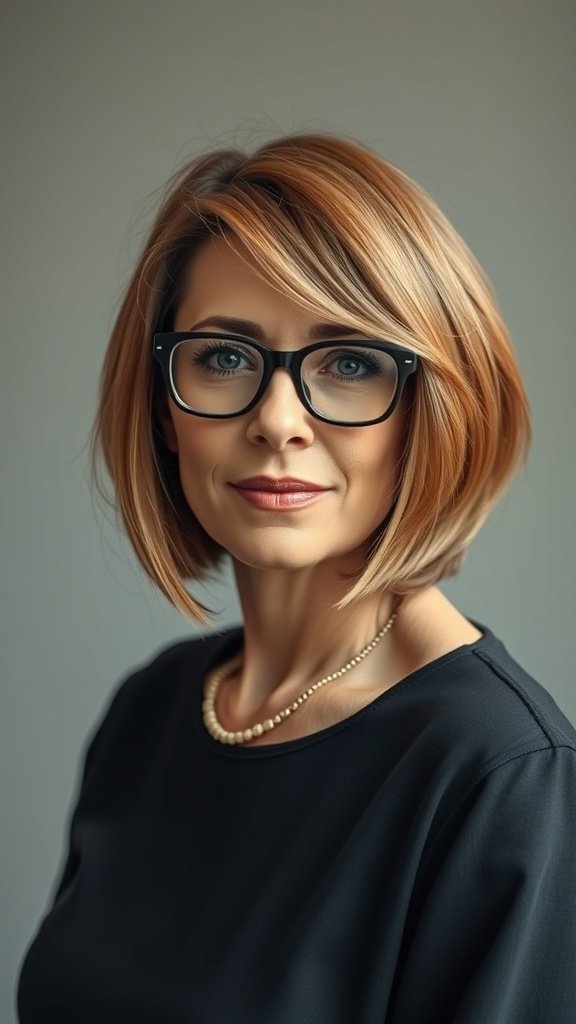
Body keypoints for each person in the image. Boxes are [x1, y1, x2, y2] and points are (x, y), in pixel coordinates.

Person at [17, 133, 576, 1023]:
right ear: (165, 409)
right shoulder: (151, 712)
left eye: (349, 362)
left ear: (429, 409)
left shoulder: (500, 772)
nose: (278, 420)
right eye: (225, 358)